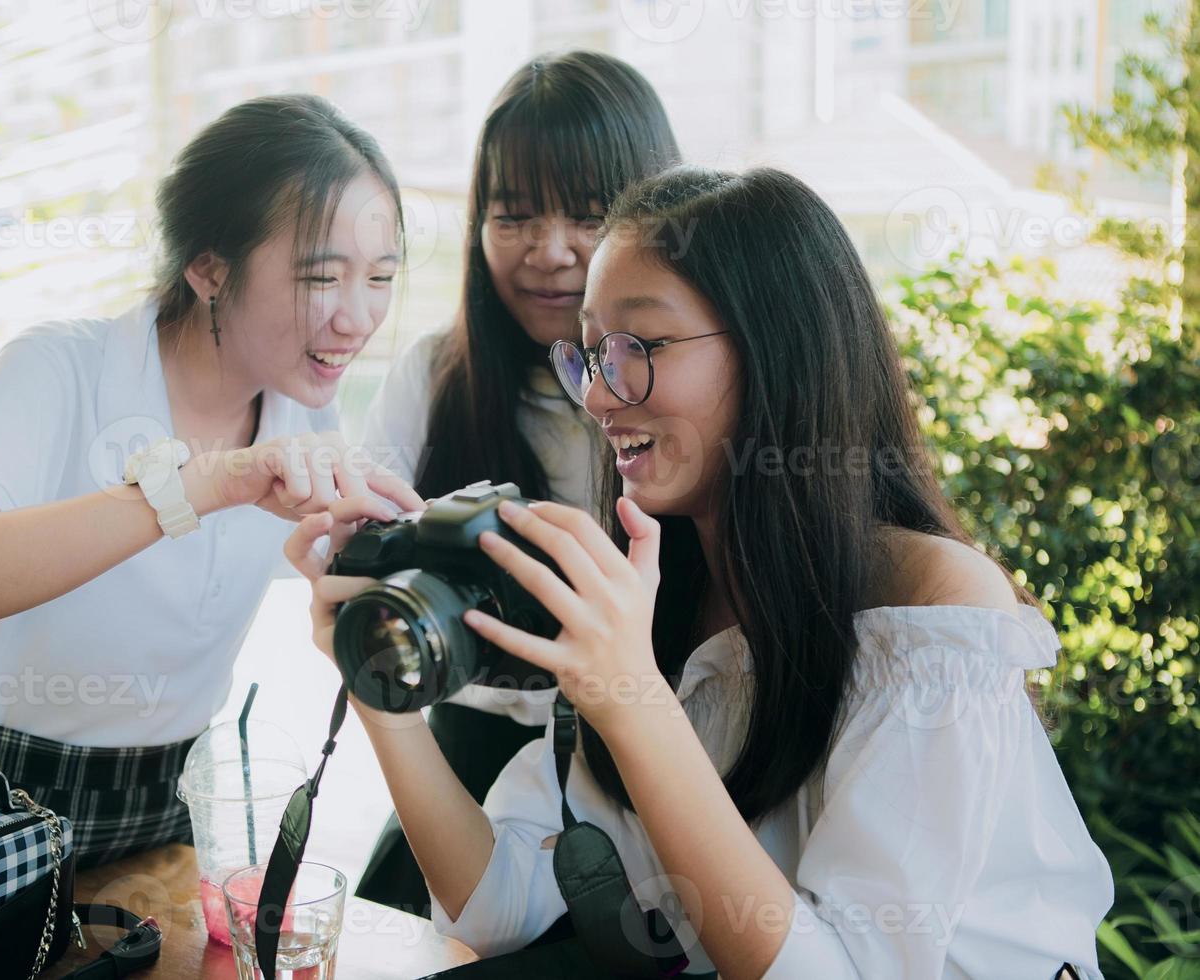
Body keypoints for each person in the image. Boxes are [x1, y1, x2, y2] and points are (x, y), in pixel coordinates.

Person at [289, 166, 1113, 976]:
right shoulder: (653, 594)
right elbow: (498, 904)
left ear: (777, 348)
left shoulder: (933, 603)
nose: (603, 396)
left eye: (637, 347)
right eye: (589, 354)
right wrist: (379, 686)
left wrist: (633, 700)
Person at [0, 94, 423, 869]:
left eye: (380, 278)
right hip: (0, 824)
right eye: (322, 278)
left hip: (173, 816)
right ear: (209, 267)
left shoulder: (305, 415)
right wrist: (205, 484)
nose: (357, 318)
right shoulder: (60, 370)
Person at [353, 49, 681, 913]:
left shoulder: (682, 393)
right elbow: (360, 536)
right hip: (466, 753)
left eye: (588, 215)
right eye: (514, 217)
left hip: (650, 768)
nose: (550, 252)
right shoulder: (435, 374)